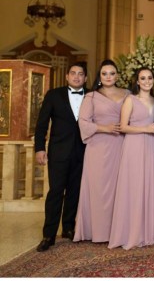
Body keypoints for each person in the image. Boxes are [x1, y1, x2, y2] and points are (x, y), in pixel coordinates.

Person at [74, 59, 130, 242]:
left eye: (112, 73)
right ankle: (98, 231)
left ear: (117, 76)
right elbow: (83, 122)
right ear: (99, 76)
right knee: (99, 189)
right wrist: (105, 128)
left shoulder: (128, 94)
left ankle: (120, 230)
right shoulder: (91, 97)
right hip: (98, 148)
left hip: (122, 145)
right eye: (104, 73)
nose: (108, 77)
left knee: (120, 188)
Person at [34, 62, 88, 252]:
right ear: (67, 76)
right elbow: (41, 124)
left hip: (83, 152)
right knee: (56, 192)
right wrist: (39, 148)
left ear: (85, 78)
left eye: (80, 74)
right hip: (58, 152)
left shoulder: (91, 96)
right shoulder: (54, 95)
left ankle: (68, 228)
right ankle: (48, 234)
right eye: (73, 73)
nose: (76, 77)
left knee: (75, 192)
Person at [108, 68, 154, 249]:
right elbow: (123, 127)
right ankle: (131, 232)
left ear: (153, 80)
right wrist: (145, 129)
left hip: (153, 145)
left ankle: (150, 231)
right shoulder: (130, 100)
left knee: (151, 185)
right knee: (134, 187)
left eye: (149, 78)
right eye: (143, 78)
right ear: (137, 82)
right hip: (134, 146)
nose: (147, 81)